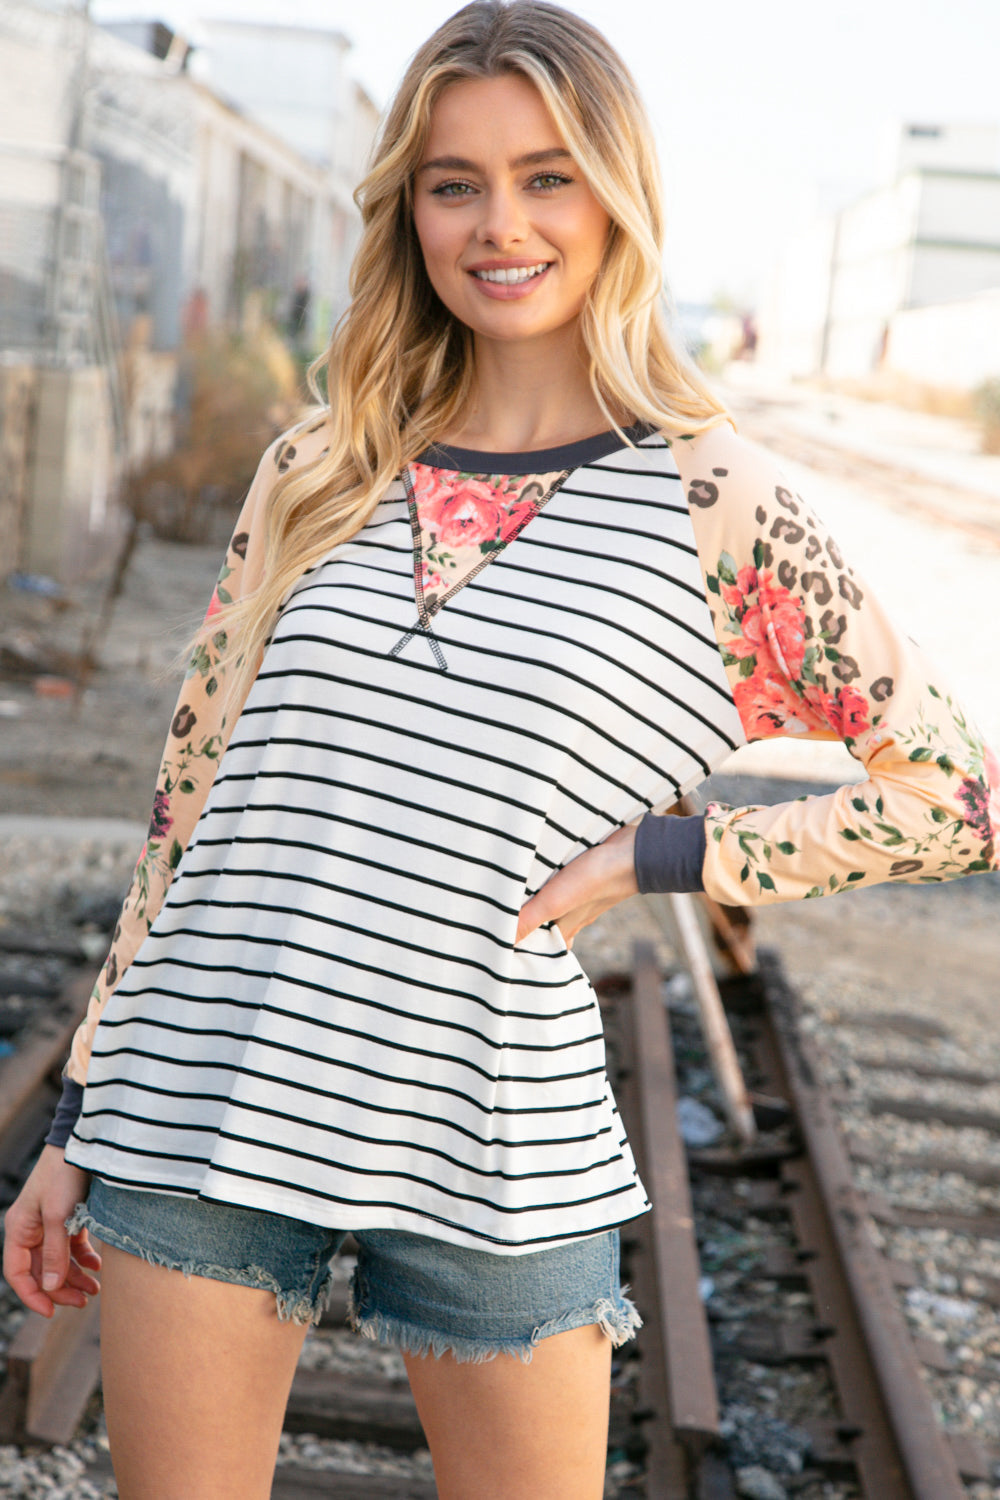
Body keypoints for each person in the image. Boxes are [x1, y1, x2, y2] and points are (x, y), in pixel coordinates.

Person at [4, 4, 998, 1497]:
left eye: (548, 176)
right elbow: (185, 810)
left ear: (617, 192)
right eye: (454, 181)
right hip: (200, 1101)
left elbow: (957, 798)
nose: (500, 224)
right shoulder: (319, 466)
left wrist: (661, 853)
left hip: (495, 1135)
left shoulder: (719, 501)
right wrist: (84, 1106)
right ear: (409, 204)